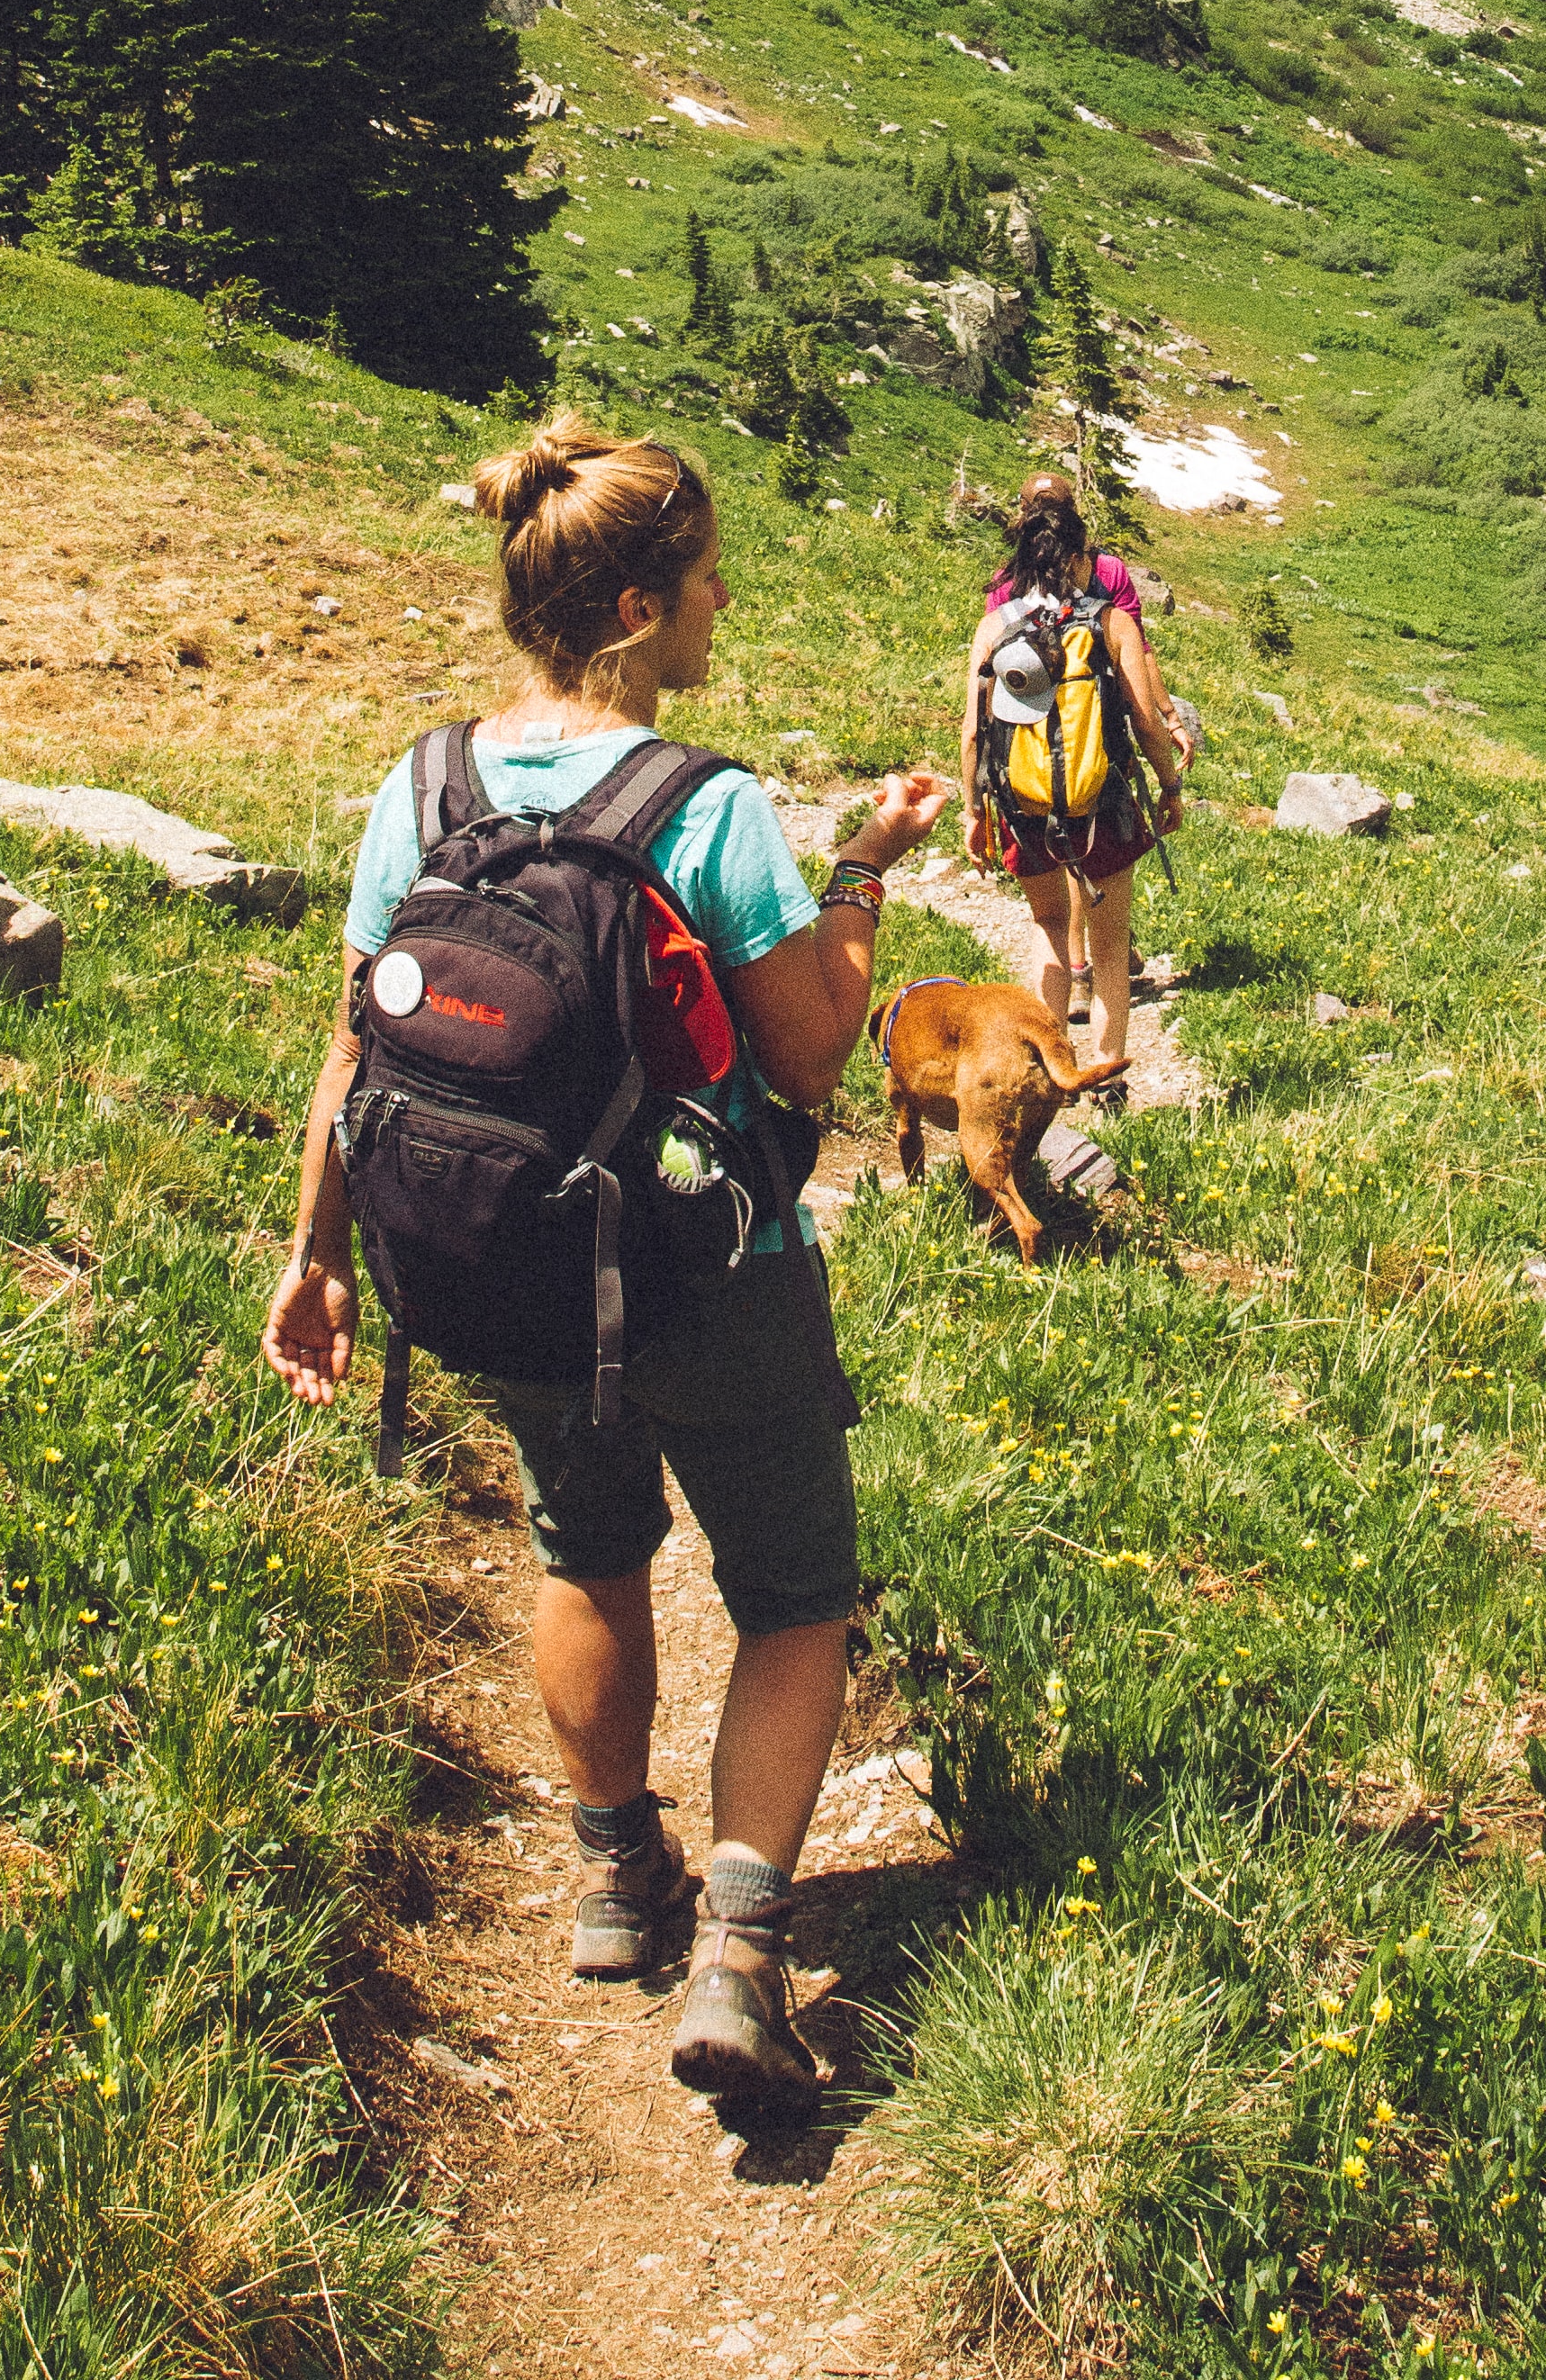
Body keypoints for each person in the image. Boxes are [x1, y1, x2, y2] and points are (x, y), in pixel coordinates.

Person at [262, 416, 945, 2110]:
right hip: (711, 1269)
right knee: (794, 1597)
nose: (725, 599)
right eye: (707, 574)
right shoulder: (702, 807)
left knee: (586, 1545)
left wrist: (315, 1254)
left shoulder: (422, 784)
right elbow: (805, 1056)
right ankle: (738, 1947)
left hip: (498, 1260)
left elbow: (360, 1035)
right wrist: (861, 869)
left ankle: (607, 1869)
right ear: (639, 606)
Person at [959, 473, 1187, 1077]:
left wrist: (973, 811)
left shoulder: (994, 624)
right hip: (1103, 799)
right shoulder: (1110, 621)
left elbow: (974, 733)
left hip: (1023, 804)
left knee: (1049, 925)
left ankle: (1048, 1070)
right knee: (1111, 945)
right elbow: (1144, 719)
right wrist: (1169, 788)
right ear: (1082, 551)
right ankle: (1107, 1073)